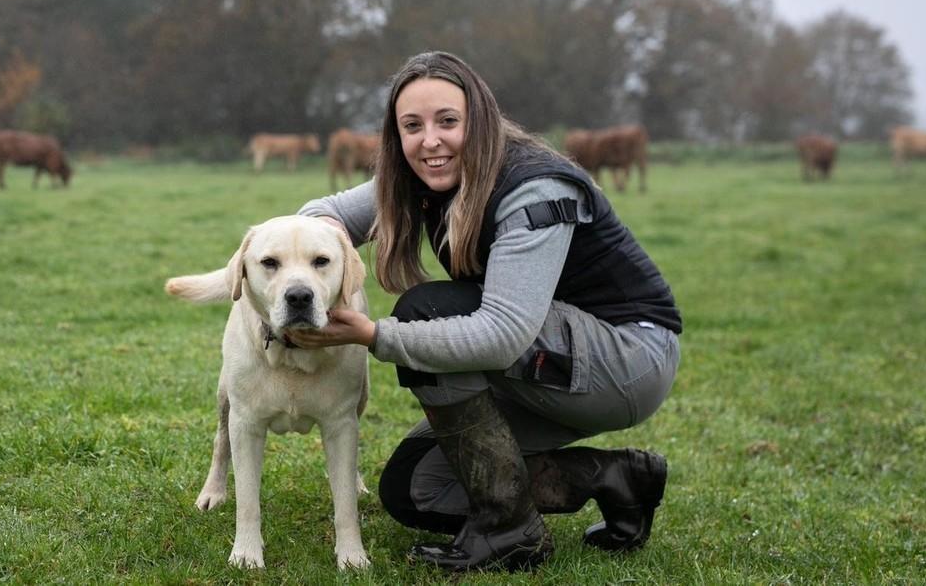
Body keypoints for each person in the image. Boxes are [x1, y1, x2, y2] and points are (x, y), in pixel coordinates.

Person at [286, 51, 681, 572]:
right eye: (412, 126)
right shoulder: (417, 174)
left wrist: (374, 335)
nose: (431, 140)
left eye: (448, 121)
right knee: (415, 487)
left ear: (480, 120)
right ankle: (613, 478)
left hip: (629, 356)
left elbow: (502, 336)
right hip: (552, 358)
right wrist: (307, 270)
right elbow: (323, 214)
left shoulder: (534, 186)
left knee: (426, 310)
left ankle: (508, 531)